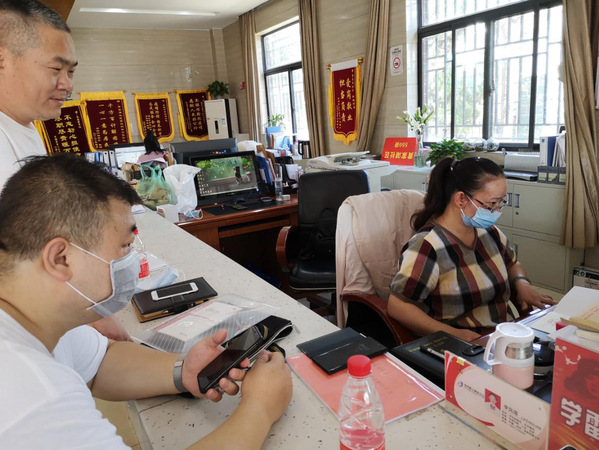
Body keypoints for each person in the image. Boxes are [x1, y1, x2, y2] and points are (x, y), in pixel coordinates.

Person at [0, 155, 292, 448]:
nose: (133, 258)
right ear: (60, 259)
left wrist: (183, 371)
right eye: (125, 246)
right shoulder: (33, 395)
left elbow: (99, 363)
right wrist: (260, 408)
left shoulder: (34, 316)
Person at [0, 0, 133, 340]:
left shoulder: (25, 124)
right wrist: (91, 320)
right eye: (55, 69)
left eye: (70, 72)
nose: (67, 85)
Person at [388, 157, 555, 342]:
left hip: (501, 334)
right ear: (461, 199)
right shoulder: (428, 246)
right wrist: (454, 334)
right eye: (491, 204)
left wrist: (522, 283)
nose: (497, 211)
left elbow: (512, 263)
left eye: (501, 202)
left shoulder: (488, 232)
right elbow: (398, 306)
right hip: (462, 344)